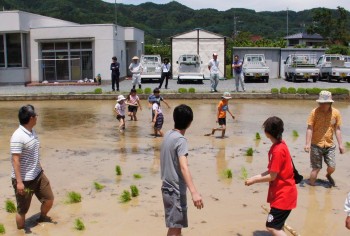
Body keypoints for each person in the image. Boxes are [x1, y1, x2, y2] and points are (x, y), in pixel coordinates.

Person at [245, 116, 297, 236]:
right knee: (278, 226)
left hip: (283, 195)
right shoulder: (280, 145)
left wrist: (254, 182)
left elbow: (272, 176)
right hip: (284, 193)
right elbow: (271, 171)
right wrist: (254, 177)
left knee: (272, 227)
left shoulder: (278, 151)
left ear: (267, 132)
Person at [160, 104, 204, 236]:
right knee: (175, 229)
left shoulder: (168, 134)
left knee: (175, 227)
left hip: (166, 188)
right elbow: (184, 166)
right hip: (175, 191)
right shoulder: (181, 140)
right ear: (190, 123)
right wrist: (194, 192)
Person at [10, 105, 55, 230]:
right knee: (22, 210)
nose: (37, 118)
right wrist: (19, 182)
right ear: (31, 118)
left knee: (49, 199)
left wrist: (39, 164)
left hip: (38, 174)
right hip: (24, 179)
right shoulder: (18, 136)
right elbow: (15, 160)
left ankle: (42, 217)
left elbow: (33, 151)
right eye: (36, 116)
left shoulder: (31, 131)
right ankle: (20, 231)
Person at [304, 90, 344, 187]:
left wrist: (341, 144)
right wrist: (307, 143)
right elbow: (310, 128)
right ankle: (311, 188)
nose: (322, 105)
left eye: (325, 103)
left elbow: (337, 129)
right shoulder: (314, 112)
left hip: (329, 145)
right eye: (321, 103)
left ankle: (328, 175)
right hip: (316, 145)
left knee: (332, 166)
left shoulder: (336, 113)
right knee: (316, 168)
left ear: (330, 103)